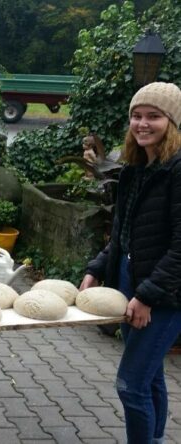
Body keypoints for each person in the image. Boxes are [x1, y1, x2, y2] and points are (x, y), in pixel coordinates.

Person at [79, 81, 181, 443]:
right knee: (150, 376)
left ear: (172, 122)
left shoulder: (177, 170)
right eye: (136, 116)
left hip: (165, 295)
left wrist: (148, 295)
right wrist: (95, 267)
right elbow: (123, 236)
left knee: (131, 384)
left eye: (154, 116)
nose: (142, 123)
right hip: (129, 282)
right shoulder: (136, 169)